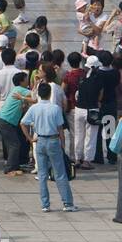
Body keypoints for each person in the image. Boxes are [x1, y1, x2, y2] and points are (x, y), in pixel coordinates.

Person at [20, 82, 77, 212]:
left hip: (39, 140)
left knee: (42, 174)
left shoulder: (34, 108)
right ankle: (67, 203)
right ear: (50, 94)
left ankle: (45, 205)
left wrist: (30, 139)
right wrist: (62, 146)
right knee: (60, 174)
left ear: (39, 94)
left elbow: (23, 123)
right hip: (53, 140)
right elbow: (60, 130)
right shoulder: (55, 108)